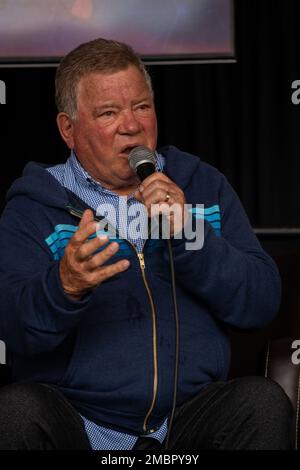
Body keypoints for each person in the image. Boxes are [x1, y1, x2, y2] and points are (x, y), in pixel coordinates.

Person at [0, 38, 293, 450]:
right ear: (68, 129)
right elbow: (14, 329)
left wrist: (190, 236)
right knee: (15, 410)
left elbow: (261, 301)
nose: (132, 125)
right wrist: (64, 286)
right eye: (108, 113)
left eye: (142, 107)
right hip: (78, 421)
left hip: (187, 421)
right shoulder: (34, 206)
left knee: (260, 402)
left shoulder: (201, 185)